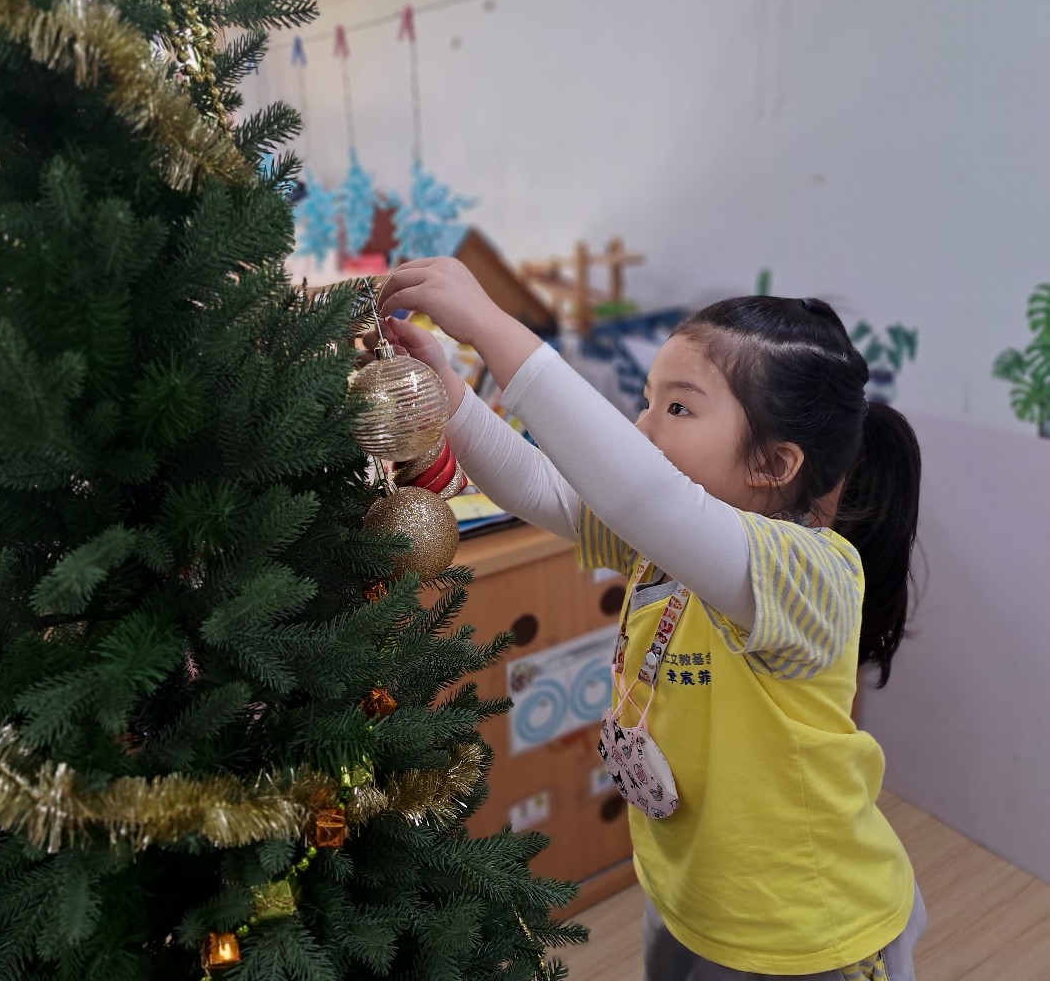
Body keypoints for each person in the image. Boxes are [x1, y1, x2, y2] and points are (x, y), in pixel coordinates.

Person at [376, 258, 926, 981]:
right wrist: (453, 397)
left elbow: (641, 495)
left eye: (678, 408)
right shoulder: (662, 548)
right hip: (688, 893)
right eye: (648, 399)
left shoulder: (809, 573)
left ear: (772, 463)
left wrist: (490, 327)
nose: (641, 424)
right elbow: (544, 487)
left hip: (807, 930)